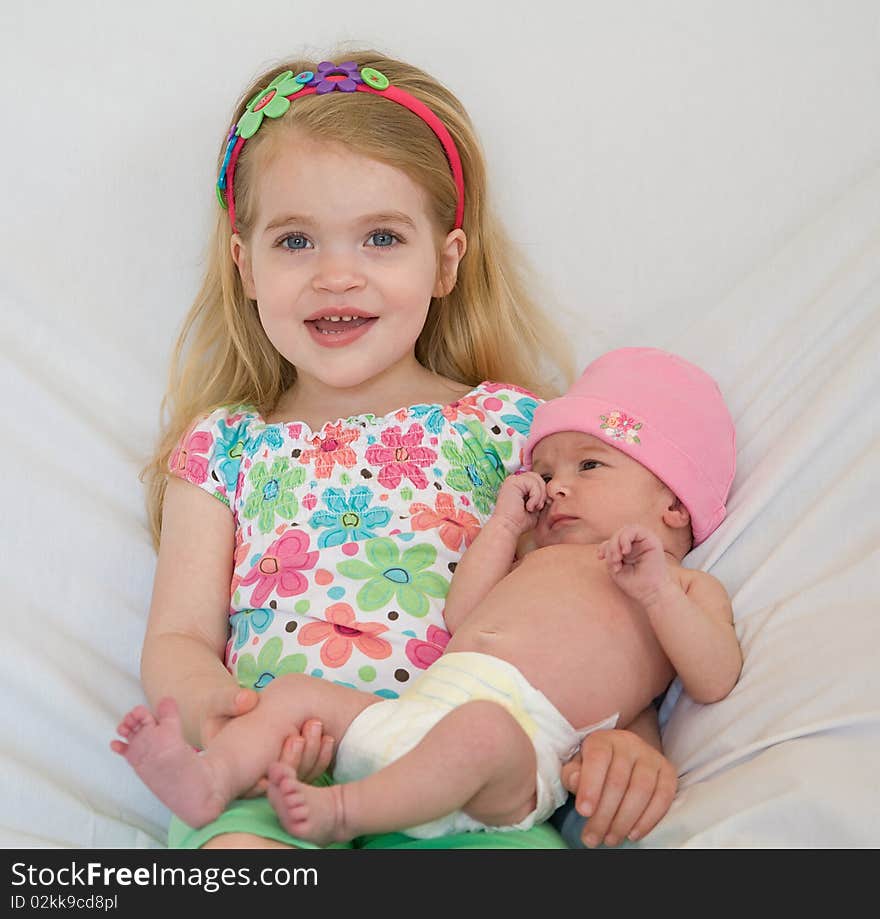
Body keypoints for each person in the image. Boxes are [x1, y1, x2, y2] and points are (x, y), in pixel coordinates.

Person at [134, 48, 677, 850]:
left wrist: (631, 737)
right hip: (273, 770)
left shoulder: (510, 430)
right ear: (245, 266)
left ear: (446, 261)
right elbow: (178, 636)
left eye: (381, 237)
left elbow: (584, 605)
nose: (337, 276)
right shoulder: (223, 446)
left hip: (461, 781)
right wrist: (225, 713)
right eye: (296, 242)